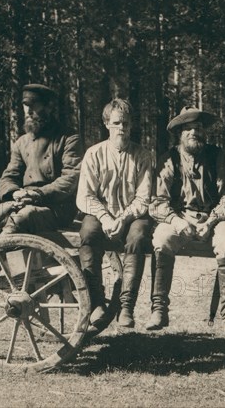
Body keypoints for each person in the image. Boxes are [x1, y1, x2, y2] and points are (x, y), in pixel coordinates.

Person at [0, 84, 82, 278]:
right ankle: (8, 270)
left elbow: (70, 178)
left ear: (48, 107)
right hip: (25, 201)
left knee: (22, 217)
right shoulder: (22, 142)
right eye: (25, 105)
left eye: (34, 105)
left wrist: (36, 194)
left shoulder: (68, 138)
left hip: (58, 207)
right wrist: (15, 192)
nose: (28, 111)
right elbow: (8, 176)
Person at [146, 106, 225, 335]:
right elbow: (157, 201)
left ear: (204, 132)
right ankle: (159, 309)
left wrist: (211, 222)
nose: (194, 133)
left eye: (198, 128)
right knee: (161, 238)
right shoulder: (168, 160)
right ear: (180, 133)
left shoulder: (218, 156)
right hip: (180, 217)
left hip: (215, 217)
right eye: (188, 128)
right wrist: (178, 222)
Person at [76, 99, 153, 329]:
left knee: (138, 236)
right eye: (117, 123)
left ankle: (126, 306)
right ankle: (96, 303)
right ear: (106, 124)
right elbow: (85, 196)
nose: (122, 128)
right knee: (88, 233)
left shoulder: (142, 155)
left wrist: (124, 218)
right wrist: (107, 217)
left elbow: (144, 197)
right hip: (101, 215)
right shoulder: (93, 154)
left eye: (126, 124)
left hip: (131, 217)